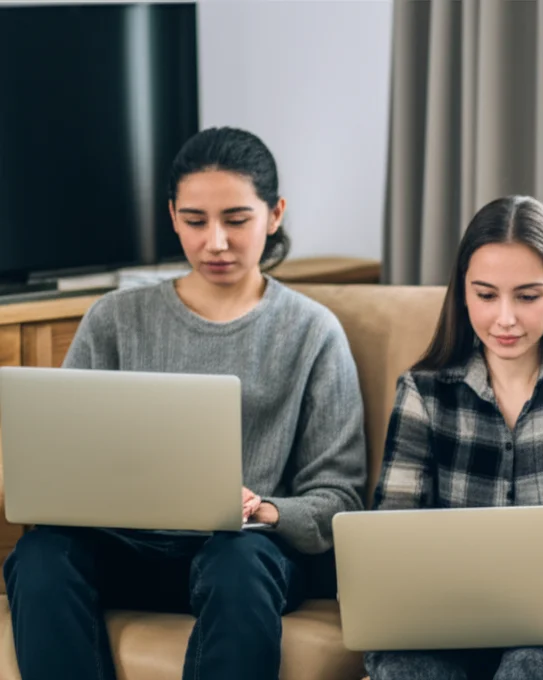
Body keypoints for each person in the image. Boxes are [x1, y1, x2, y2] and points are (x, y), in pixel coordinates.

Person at [3, 126, 367, 680]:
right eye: (195, 221)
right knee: (37, 560)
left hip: (245, 557)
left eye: (237, 220)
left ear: (275, 215)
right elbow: (62, 459)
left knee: (237, 561)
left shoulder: (313, 332)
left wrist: (264, 509)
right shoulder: (116, 319)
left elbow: (338, 498)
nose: (214, 242)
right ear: (173, 216)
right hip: (124, 549)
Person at [363, 195, 543, 680]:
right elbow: (390, 539)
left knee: (529, 670)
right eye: (485, 295)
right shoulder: (424, 392)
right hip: (447, 618)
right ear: (462, 292)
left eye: (527, 296)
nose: (505, 318)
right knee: (405, 669)